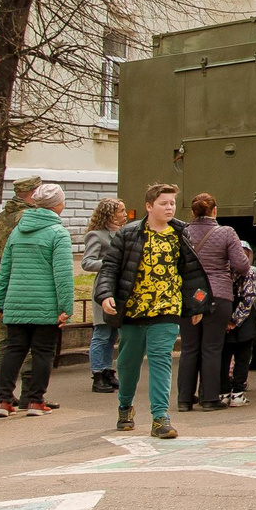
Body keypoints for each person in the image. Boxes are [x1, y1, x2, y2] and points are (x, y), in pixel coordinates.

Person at [95, 183, 212, 439]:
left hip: (167, 308)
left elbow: (191, 273)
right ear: (149, 206)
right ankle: (125, 407)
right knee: (128, 365)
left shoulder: (181, 232)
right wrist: (105, 296)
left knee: (161, 360)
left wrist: (197, 304)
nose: (169, 207)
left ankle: (160, 418)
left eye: (172, 203)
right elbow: (110, 268)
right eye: (163, 203)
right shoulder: (128, 234)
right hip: (134, 310)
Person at [0, 182, 74, 416]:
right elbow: (63, 276)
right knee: (42, 352)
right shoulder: (58, 233)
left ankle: (3, 400)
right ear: (57, 205)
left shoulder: (17, 231)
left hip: (16, 302)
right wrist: (65, 308)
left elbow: (5, 269)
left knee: (14, 350)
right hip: (45, 305)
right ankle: (35, 400)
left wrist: (2, 302)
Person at [177, 194, 253, 411]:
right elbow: (242, 265)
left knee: (189, 348)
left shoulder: (182, 233)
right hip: (218, 294)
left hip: (189, 295)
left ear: (192, 212)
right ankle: (209, 398)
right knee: (211, 348)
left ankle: (184, 399)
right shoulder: (226, 232)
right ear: (214, 211)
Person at [78, 197, 127, 394]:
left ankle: (108, 371)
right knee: (102, 332)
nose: (124, 214)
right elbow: (87, 262)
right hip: (104, 287)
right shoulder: (96, 235)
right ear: (110, 214)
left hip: (119, 287)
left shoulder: (123, 233)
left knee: (113, 332)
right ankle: (97, 373)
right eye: (121, 211)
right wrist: (111, 263)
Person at [223, 259, 256, 396]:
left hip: (224, 318)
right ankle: (238, 392)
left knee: (224, 355)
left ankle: (223, 391)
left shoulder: (220, 270)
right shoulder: (249, 272)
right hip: (245, 321)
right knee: (243, 357)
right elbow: (249, 297)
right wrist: (235, 320)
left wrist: (228, 320)